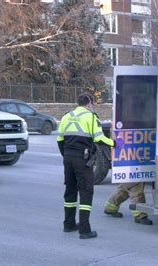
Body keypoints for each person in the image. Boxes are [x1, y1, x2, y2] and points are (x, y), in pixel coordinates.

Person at [57, 93, 123, 239]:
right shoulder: (91, 117)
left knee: (70, 191)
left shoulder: (66, 116)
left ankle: (68, 224)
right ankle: (84, 230)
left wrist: (66, 156)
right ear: (88, 103)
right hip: (83, 158)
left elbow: (59, 139)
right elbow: (98, 137)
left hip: (68, 158)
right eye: (92, 104)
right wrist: (114, 143)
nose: (93, 106)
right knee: (86, 192)